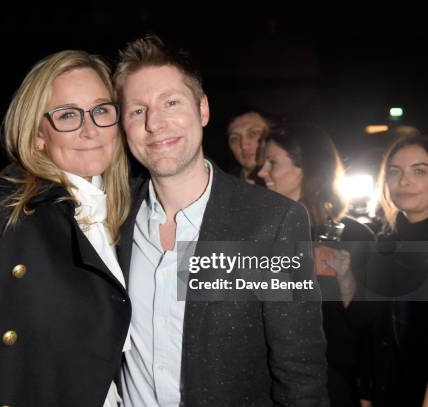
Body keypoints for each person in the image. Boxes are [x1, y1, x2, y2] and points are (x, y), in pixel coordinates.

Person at [114, 35, 327, 406]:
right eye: (137, 110)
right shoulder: (112, 217)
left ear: (203, 110)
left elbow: (301, 375)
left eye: (171, 102)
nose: (155, 123)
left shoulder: (273, 223)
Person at [0, 50, 132, 407]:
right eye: (67, 115)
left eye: (102, 110)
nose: (90, 129)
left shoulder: (131, 211)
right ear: (37, 134)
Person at [257, 123, 375, 406]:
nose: (262, 173)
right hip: (264, 378)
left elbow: (369, 328)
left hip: (330, 382)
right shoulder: (258, 230)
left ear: (307, 166)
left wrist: (345, 279)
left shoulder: (354, 235)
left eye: (272, 162)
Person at [366, 135, 428, 406]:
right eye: (394, 171)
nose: (404, 181)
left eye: (420, 171)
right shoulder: (384, 243)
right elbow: (375, 328)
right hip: (388, 389)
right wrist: (367, 390)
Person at [227, 109, 271, 184]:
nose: (244, 146)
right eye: (235, 139)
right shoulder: (224, 185)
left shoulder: (293, 184)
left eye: (253, 133)